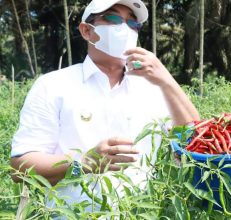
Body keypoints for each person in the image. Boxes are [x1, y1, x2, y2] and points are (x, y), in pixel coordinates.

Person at [10, 0, 199, 213]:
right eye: (112, 18)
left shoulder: (153, 88)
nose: (124, 29)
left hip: (141, 215)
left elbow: (197, 141)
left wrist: (166, 79)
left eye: (132, 24)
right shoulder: (53, 86)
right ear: (86, 31)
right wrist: (82, 162)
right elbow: (20, 167)